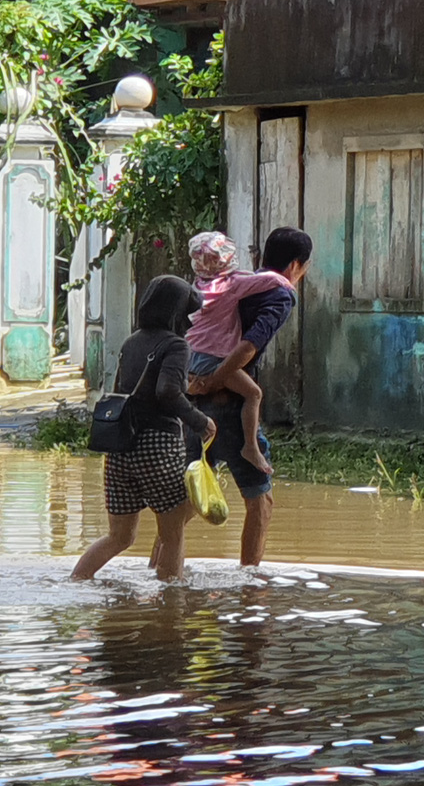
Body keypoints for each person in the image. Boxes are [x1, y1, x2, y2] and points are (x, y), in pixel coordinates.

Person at [72, 275, 217, 582]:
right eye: (188, 315)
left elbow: (119, 392)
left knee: (119, 537)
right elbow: (167, 392)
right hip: (157, 447)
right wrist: (199, 421)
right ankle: (169, 603)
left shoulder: (130, 342)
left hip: (120, 449)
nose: (190, 323)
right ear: (176, 313)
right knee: (173, 530)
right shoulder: (176, 345)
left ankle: (76, 582)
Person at [189, 226, 310, 567]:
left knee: (184, 504)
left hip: (195, 403)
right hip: (226, 403)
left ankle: (163, 574)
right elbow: (248, 346)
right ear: (297, 265)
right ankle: (250, 591)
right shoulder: (278, 294)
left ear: (259, 258)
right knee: (260, 501)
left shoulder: (225, 284)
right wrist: (216, 380)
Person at [183, 231, 291, 477]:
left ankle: (204, 445)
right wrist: (287, 284)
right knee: (253, 394)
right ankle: (250, 447)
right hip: (213, 357)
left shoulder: (198, 286)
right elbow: (268, 281)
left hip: (191, 354)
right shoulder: (231, 286)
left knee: (196, 396)